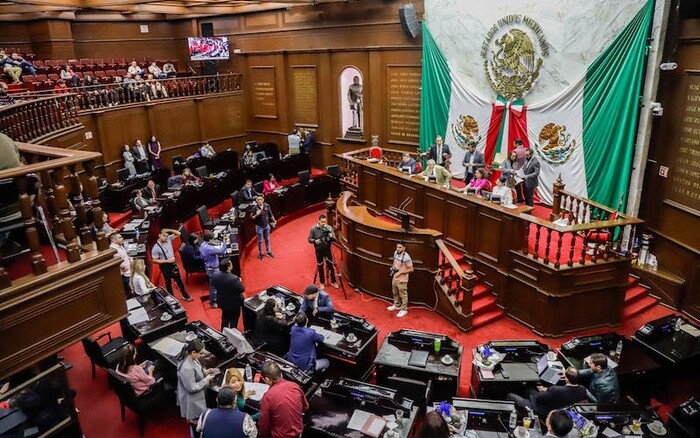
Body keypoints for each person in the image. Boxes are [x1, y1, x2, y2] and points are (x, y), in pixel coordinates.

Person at [507, 367, 587, 418]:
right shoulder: (583, 389)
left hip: (541, 411)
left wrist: (544, 390)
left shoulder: (556, 390)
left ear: (567, 379)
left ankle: (516, 415)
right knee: (529, 390)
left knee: (511, 395)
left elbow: (538, 398)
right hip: (560, 410)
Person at [258, 360, 308, 438]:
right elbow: (305, 407)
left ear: (267, 379)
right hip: (298, 434)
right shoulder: (295, 386)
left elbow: (264, 425)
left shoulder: (268, 396)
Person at [177, 339, 218, 428]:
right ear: (193, 352)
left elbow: (197, 368)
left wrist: (205, 372)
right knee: (198, 420)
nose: (202, 355)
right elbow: (191, 388)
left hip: (197, 390)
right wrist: (206, 379)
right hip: (192, 397)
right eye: (201, 353)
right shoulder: (186, 368)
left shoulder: (192, 358)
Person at [151, 228, 193, 301]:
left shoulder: (169, 239)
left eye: (167, 236)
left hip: (173, 264)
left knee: (179, 280)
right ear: (159, 235)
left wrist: (168, 230)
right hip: (165, 266)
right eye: (164, 236)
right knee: (168, 283)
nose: (165, 237)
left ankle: (185, 295)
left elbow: (178, 233)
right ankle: (172, 298)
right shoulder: (156, 247)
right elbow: (154, 260)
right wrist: (167, 261)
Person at [212, 257, 245, 330]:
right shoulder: (234, 279)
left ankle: (223, 333)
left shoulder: (215, 276)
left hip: (222, 301)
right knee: (234, 320)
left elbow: (213, 285)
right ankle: (233, 334)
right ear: (229, 267)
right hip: (234, 303)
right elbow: (242, 289)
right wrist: (239, 281)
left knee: (225, 318)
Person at [308, 214, 339, 288]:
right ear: (318, 221)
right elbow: (309, 239)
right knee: (320, 267)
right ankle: (322, 282)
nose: (324, 223)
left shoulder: (329, 228)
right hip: (319, 251)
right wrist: (315, 241)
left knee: (331, 266)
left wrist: (331, 237)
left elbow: (335, 239)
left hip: (327, 250)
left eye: (325, 221)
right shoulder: (313, 229)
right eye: (322, 222)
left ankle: (333, 281)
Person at [199, 231, 229, 308]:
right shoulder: (209, 248)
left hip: (209, 266)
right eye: (212, 239)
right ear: (209, 240)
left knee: (215, 284)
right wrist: (224, 241)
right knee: (214, 286)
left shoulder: (203, 244)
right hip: (213, 269)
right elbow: (221, 251)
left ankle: (217, 298)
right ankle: (213, 302)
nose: (213, 240)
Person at [387, 241, 413, 318]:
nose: (398, 249)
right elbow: (394, 262)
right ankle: (397, 305)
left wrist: (400, 273)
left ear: (404, 248)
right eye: (397, 247)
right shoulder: (396, 253)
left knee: (403, 295)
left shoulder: (406, 257)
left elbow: (411, 269)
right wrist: (393, 269)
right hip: (395, 276)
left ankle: (404, 309)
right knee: (395, 292)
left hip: (402, 279)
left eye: (400, 247)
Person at [252, 194, 276, 260]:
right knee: (260, 241)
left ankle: (268, 252)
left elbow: (270, 214)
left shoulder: (266, 205)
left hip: (266, 226)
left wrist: (274, 220)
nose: (259, 201)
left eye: (261, 199)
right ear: (256, 201)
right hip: (259, 227)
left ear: (263, 200)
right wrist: (257, 214)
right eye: (258, 200)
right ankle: (261, 253)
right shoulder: (254, 208)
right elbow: (252, 217)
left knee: (267, 239)